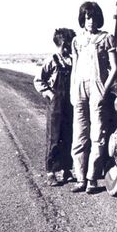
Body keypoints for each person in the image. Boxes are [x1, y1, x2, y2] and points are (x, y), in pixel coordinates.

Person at [70, 1, 117, 194]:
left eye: (94, 17)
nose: (90, 21)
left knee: (97, 135)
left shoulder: (106, 38)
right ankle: (80, 179)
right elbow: (75, 68)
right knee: (79, 135)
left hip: (97, 87)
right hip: (79, 88)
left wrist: (104, 91)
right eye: (87, 17)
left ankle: (92, 179)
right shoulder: (76, 41)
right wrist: (74, 90)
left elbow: (115, 68)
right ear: (83, 19)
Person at [34, 28, 75, 187]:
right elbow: (38, 80)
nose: (69, 48)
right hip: (56, 104)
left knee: (68, 135)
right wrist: (50, 94)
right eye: (67, 44)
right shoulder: (51, 61)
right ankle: (51, 171)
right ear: (61, 44)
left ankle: (66, 169)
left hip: (70, 103)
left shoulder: (72, 61)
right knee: (54, 137)